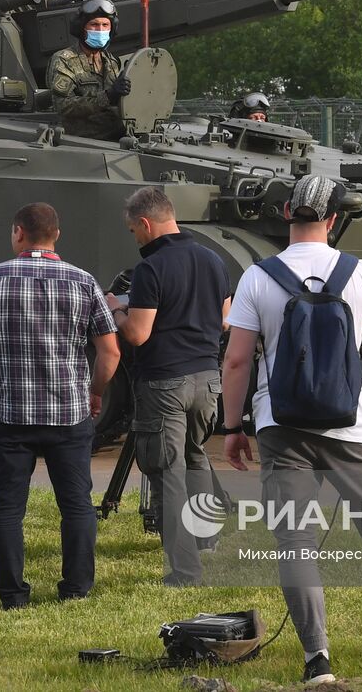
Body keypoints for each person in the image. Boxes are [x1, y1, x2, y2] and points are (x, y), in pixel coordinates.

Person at [220, 174, 362, 684]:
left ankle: (317, 660)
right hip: (351, 424)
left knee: (295, 543)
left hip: (280, 423)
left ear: (286, 215)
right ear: (333, 219)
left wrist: (233, 426)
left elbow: (236, 362)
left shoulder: (258, 278)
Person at [0, 202, 121, 609]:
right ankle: (76, 590)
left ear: (18, 233)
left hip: (9, 415)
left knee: (7, 508)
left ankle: (13, 596)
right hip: (69, 414)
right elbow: (110, 352)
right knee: (77, 505)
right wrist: (95, 392)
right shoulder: (83, 282)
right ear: (56, 235)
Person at [105, 186, 231, 586]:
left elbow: (138, 334)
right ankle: (207, 539)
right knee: (195, 458)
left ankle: (184, 570)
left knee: (168, 472)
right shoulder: (214, 260)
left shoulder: (151, 269)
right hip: (207, 380)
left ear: (145, 223)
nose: (135, 238)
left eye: (132, 231)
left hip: (164, 382)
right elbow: (225, 320)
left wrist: (116, 309)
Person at [47, 0, 132, 140]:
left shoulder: (111, 61)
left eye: (105, 25)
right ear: (81, 28)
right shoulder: (64, 60)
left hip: (116, 137)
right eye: (94, 24)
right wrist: (108, 96)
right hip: (84, 141)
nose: (100, 30)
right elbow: (63, 106)